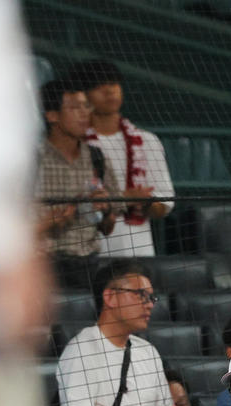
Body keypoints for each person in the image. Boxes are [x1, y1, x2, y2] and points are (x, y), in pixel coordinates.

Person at [56, 261, 193, 406]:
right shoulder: (82, 349)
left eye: (152, 298)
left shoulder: (148, 352)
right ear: (110, 297)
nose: (149, 304)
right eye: (141, 295)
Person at [67, 58, 175, 258]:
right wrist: (125, 198)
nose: (110, 91)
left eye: (114, 83)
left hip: (139, 252)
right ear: (81, 95)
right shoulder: (72, 144)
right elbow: (69, 206)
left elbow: (165, 205)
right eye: (99, 85)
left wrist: (146, 202)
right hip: (86, 253)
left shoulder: (147, 141)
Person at [35, 79, 114, 289]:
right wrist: (51, 221)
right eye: (74, 107)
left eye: (86, 106)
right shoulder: (30, 161)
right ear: (51, 115)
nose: (84, 113)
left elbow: (108, 228)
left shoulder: (97, 158)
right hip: (43, 268)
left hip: (88, 266)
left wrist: (105, 209)